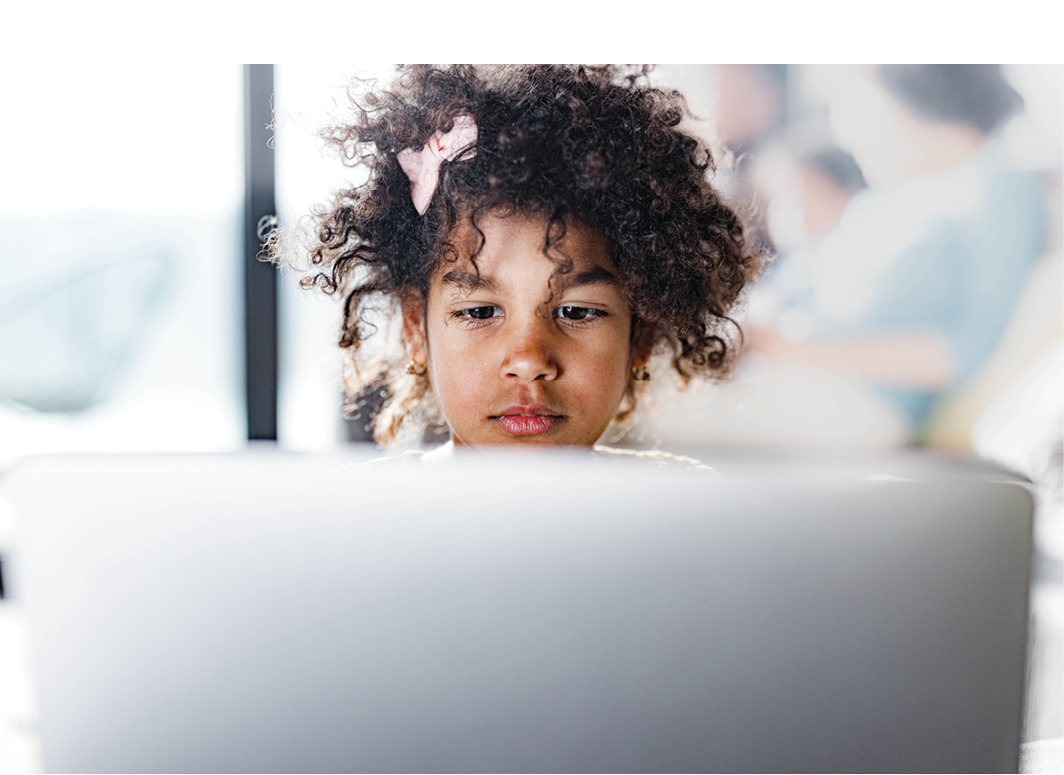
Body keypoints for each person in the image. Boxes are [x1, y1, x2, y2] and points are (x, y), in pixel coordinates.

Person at [271, 65, 763, 459]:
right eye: (480, 311)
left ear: (641, 336)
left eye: (577, 311)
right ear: (417, 327)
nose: (529, 360)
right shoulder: (374, 520)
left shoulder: (681, 513)